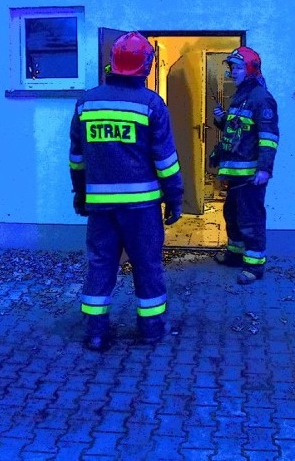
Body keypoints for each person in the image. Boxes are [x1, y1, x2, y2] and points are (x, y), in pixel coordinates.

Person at [69, 31, 184, 351]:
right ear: (145, 67)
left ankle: (95, 332)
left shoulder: (86, 103)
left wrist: (80, 194)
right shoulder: (151, 104)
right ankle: (150, 329)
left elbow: (77, 158)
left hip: (101, 206)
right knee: (147, 264)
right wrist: (175, 198)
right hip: (142, 208)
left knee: (101, 264)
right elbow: (166, 161)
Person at [211, 46, 279, 285]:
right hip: (236, 173)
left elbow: (268, 137)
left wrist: (264, 169)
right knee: (231, 213)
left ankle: (254, 265)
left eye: (236, 67)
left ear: (250, 69)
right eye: (231, 68)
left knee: (251, 218)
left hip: (251, 174)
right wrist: (222, 120)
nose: (232, 72)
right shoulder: (240, 96)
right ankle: (235, 255)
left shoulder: (262, 98)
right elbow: (239, 132)